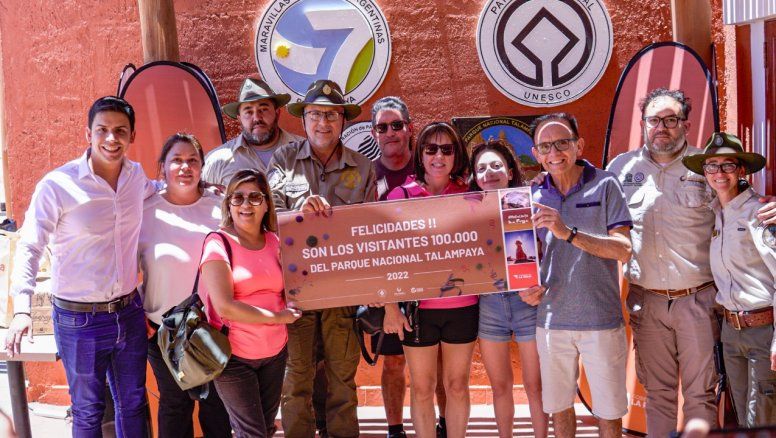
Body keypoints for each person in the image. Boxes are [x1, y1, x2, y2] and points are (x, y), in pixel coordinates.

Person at [605, 88, 771, 435]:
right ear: (643, 124)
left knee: (700, 394)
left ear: (686, 124)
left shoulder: (706, 167)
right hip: (646, 301)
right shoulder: (620, 169)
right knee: (658, 393)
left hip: (697, 299)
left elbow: (741, 206)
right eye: (654, 120)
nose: (661, 127)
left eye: (670, 119)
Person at [5, 96, 156, 436]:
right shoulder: (58, 185)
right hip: (79, 320)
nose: (111, 139)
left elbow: (159, 191)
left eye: (120, 131)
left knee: (132, 403)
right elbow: (30, 245)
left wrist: (201, 188)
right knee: (88, 411)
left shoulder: (136, 178)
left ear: (132, 135)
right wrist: (22, 308)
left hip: (129, 312)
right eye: (102, 130)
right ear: (87, 133)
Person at [268, 79, 376, 438]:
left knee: (341, 378)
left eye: (331, 115)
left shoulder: (362, 168)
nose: (322, 123)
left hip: (342, 293)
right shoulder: (283, 160)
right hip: (296, 291)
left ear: (343, 120)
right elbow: (267, 218)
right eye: (315, 114)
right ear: (304, 120)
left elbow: (371, 229)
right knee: (295, 376)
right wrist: (298, 212)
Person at [529, 113, 633, 438]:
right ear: (536, 154)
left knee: (609, 413)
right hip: (550, 321)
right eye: (546, 146)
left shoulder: (605, 184)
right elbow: (520, 255)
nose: (554, 152)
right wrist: (523, 287)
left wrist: (568, 232)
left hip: (600, 320)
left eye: (562, 143)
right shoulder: (531, 194)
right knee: (559, 408)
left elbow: (623, 250)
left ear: (579, 145)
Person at [383, 122, 474, 438]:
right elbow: (385, 256)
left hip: (464, 305)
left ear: (456, 154)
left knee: (457, 386)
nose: (439, 156)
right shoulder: (400, 196)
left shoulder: (470, 194)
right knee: (422, 388)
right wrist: (390, 307)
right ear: (419, 154)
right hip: (418, 309)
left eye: (446, 149)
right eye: (431, 149)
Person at [138, 133, 231, 437]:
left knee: (217, 407)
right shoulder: (145, 210)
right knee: (175, 406)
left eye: (192, 160)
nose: (185, 167)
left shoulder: (221, 206)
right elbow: (125, 266)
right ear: (162, 167)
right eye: (176, 160)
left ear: (203, 166)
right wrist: (135, 309)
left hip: (214, 329)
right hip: (163, 331)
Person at [681, 132, 776, 428]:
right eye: (711, 166)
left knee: (761, 417)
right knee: (744, 416)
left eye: (728, 165)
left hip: (763, 328)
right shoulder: (716, 215)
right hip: (731, 332)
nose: (719, 173)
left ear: (742, 170)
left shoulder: (760, 213)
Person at [200, 169, 303, 437]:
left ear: (267, 203)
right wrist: (279, 317)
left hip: (274, 353)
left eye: (255, 197)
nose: (246, 205)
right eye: (238, 198)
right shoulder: (218, 243)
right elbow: (225, 306)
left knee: (265, 430)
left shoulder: (275, 241)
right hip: (233, 357)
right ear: (229, 204)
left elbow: (296, 286)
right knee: (253, 433)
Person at [468, 139, 548, 438]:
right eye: (481, 168)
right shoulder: (468, 211)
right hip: (490, 305)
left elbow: (548, 248)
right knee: (499, 386)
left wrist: (543, 283)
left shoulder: (530, 200)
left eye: (496, 165)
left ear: (510, 170)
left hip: (527, 301)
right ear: (475, 177)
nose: (489, 172)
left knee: (534, 385)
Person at [203, 78, 302, 187]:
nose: (256, 118)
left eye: (263, 109)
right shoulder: (216, 162)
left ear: (277, 113)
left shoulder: (304, 151)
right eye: (248, 112)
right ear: (239, 119)